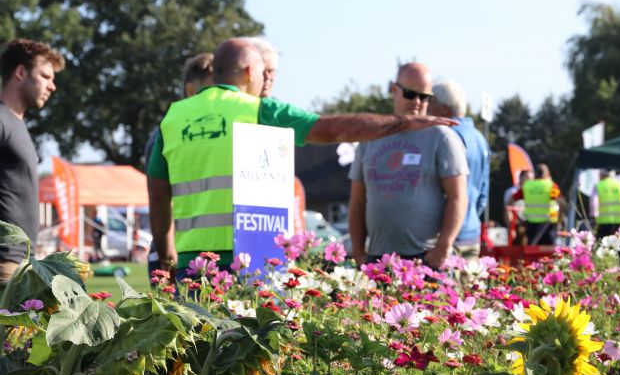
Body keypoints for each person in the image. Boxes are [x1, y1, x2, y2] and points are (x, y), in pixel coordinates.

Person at [148, 39, 457, 275]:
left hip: (191, 265)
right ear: (248, 73)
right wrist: (402, 123)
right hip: (251, 260)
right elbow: (333, 129)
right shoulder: (259, 110)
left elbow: (159, 198)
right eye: (264, 73)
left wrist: (167, 256)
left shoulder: (172, 119)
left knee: (197, 356)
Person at [348, 62, 469, 268]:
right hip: (378, 259)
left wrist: (442, 247)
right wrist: (359, 252)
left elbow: (458, 197)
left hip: (424, 258)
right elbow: (357, 201)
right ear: (395, 91)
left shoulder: (443, 137)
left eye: (424, 97)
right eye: (410, 94)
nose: (417, 102)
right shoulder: (370, 137)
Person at [144, 53, 214, 280]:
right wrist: (168, 252)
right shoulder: (168, 132)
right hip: (173, 251)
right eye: (211, 90)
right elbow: (160, 197)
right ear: (191, 90)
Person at [0, 39, 65, 283]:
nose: (52, 86)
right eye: (46, 76)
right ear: (20, 72)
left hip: (20, 263)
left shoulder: (16, 123)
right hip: (4, 264)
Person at [428, 79, 488, 260]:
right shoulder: (479, 138)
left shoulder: (444, 136)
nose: (426, 108)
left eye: (430, 102)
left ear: (444, 108)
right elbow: (483, 192)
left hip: (446, 240)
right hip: (472, 233)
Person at [514, 163, 562, 245]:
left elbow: (510, 201)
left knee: (532, 251)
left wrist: (518, 218)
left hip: (530, 224)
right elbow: (561, 203)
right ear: (547, 174)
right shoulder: (551, 186)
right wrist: (557, 219)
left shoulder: (527, 186)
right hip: (547, 225)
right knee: (549, 252)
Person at [592, 170, 620, 238]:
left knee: (602, 245)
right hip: (619, 222)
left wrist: (594, 218)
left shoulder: (598, 185)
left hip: (603, 222)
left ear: (601, 175)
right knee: (618, 245)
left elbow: (594, 204)